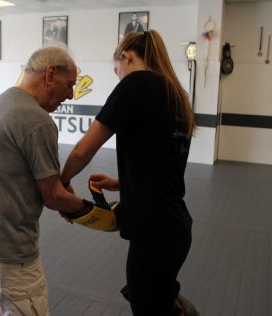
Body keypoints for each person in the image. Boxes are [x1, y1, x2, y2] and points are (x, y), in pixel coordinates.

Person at [60, 30, 196, 315]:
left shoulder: (135, 84)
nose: (119, 76)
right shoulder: (175, 93)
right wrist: (123, 183)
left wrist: (62, 182)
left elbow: (84, 149)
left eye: (117, 69)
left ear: (127, 57)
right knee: (160, 301)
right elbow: (166, 169)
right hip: (175, 226)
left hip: (153, 232)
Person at [0, 46, 91, 316]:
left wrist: (61, 195)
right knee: (26, 306)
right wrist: (91, 211)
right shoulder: (36, 120)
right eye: (69, 85)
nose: (70, 94)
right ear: (50, 75)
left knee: (8, 303)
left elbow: (43, 181)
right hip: (11, 246)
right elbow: (53, 196)